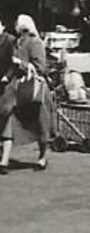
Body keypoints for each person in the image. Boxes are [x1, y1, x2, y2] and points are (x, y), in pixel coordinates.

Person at [0, 15, 51, 173]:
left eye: (16, 23)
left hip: (34, 88)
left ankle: (43, 156)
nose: (14, 25)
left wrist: (20, 63)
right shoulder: (17, 41)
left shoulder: (35, 42)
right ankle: (4, 160)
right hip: (18, 88)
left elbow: (41, 67)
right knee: (11, 120)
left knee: (40, 123)